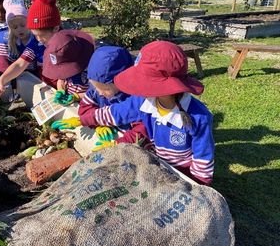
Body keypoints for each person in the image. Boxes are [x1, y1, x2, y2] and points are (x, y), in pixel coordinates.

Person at [78, 41, 215, 185]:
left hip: (184, 173)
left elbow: (203, 158)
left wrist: (197, 185)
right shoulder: (144, 101)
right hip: (160, 165)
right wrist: (83, 120)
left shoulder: (199, 116)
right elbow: (114, 113)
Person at [51, 46, 148, 144]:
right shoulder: (96, 90)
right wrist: (98, 125)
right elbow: (84, 108)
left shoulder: (134, 98)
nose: (100, 93)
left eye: (106, 89)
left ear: (123, 81)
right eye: (97, 87)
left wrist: (118, 143)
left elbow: (142, 131)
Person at [26, 0, 95, 105]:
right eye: (35, 36)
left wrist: (77, 96)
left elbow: (98, 92)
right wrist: (61, 90)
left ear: (56, 28)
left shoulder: (84, 60)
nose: (39, 40)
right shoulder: (54, 49)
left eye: (41, 36)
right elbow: (61, 79)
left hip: (86, 103)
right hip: (73, 102)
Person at [0, 0, 45, 93]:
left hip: (41, 76)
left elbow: (22, 64)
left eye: (22, 25)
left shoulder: (36, 40)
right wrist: (3, 79)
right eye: (15, 27)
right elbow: (17, 65)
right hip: (26, 77)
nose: (19, 29)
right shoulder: (14, 42)